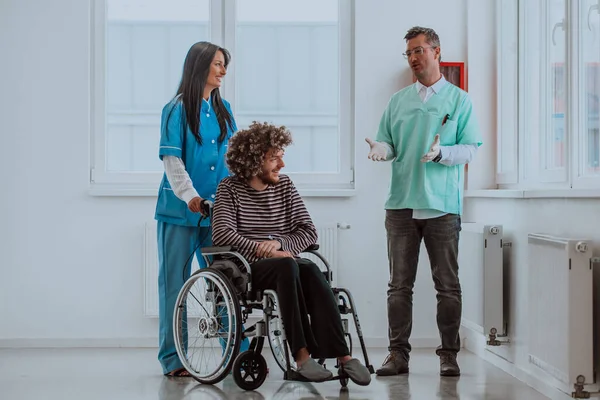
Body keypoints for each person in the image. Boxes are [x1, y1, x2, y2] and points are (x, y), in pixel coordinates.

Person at [211, 122, 371, 386]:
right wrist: (258, 247)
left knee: (307, 267)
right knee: (289, 267)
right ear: (253, 160)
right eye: (274, 158)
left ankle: (343, 356)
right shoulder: (229, 189)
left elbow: (308, 231)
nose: (281, 165)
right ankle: (302, 357)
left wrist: (277, 243)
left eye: (281, 157)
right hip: (248, 270)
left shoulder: (284, 186)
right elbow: (222, 234)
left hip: (287, 264)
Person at [365, 26, 483, 377]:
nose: (414, 58)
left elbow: (470, 150)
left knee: (447, 285)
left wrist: (442, 152)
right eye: (409, 53)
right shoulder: (398, 102)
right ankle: (397, 355)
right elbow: (388, 144)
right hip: (401, 204)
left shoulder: (459, 100)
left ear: (436, 52)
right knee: (399, 285)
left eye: (419, 51)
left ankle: (448, 355)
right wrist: (379, 150)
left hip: (442, 207)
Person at [154, 41, 248, 377]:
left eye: (225, 65)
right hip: (180, 212)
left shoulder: (225, 111)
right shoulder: (176, 109)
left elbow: (236, 158)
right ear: (200, 66)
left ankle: (237, 353)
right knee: (174, 285)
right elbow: (172, 158)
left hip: (218, 213)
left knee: (227, 283)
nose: (223, 71)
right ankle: (174, 359)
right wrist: (190, 195)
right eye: (218, 64)